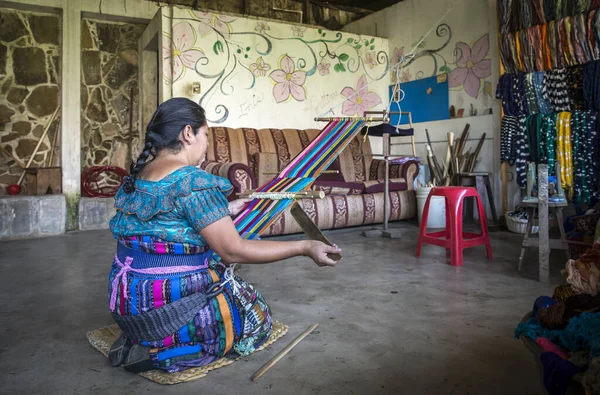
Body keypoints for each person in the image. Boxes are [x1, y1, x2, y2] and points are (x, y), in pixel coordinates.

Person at [107, 97, 341, 373]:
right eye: (205, 134)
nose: (207, 143)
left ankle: (139, 337)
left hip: (127, 298)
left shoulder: (141, 175)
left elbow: (162, 223)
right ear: (187, 133)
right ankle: (167, 353)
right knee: (255, 316)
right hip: (164, 302)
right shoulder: (192, 181)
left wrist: (224, 210)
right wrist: (304, 247)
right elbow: (233, 250)